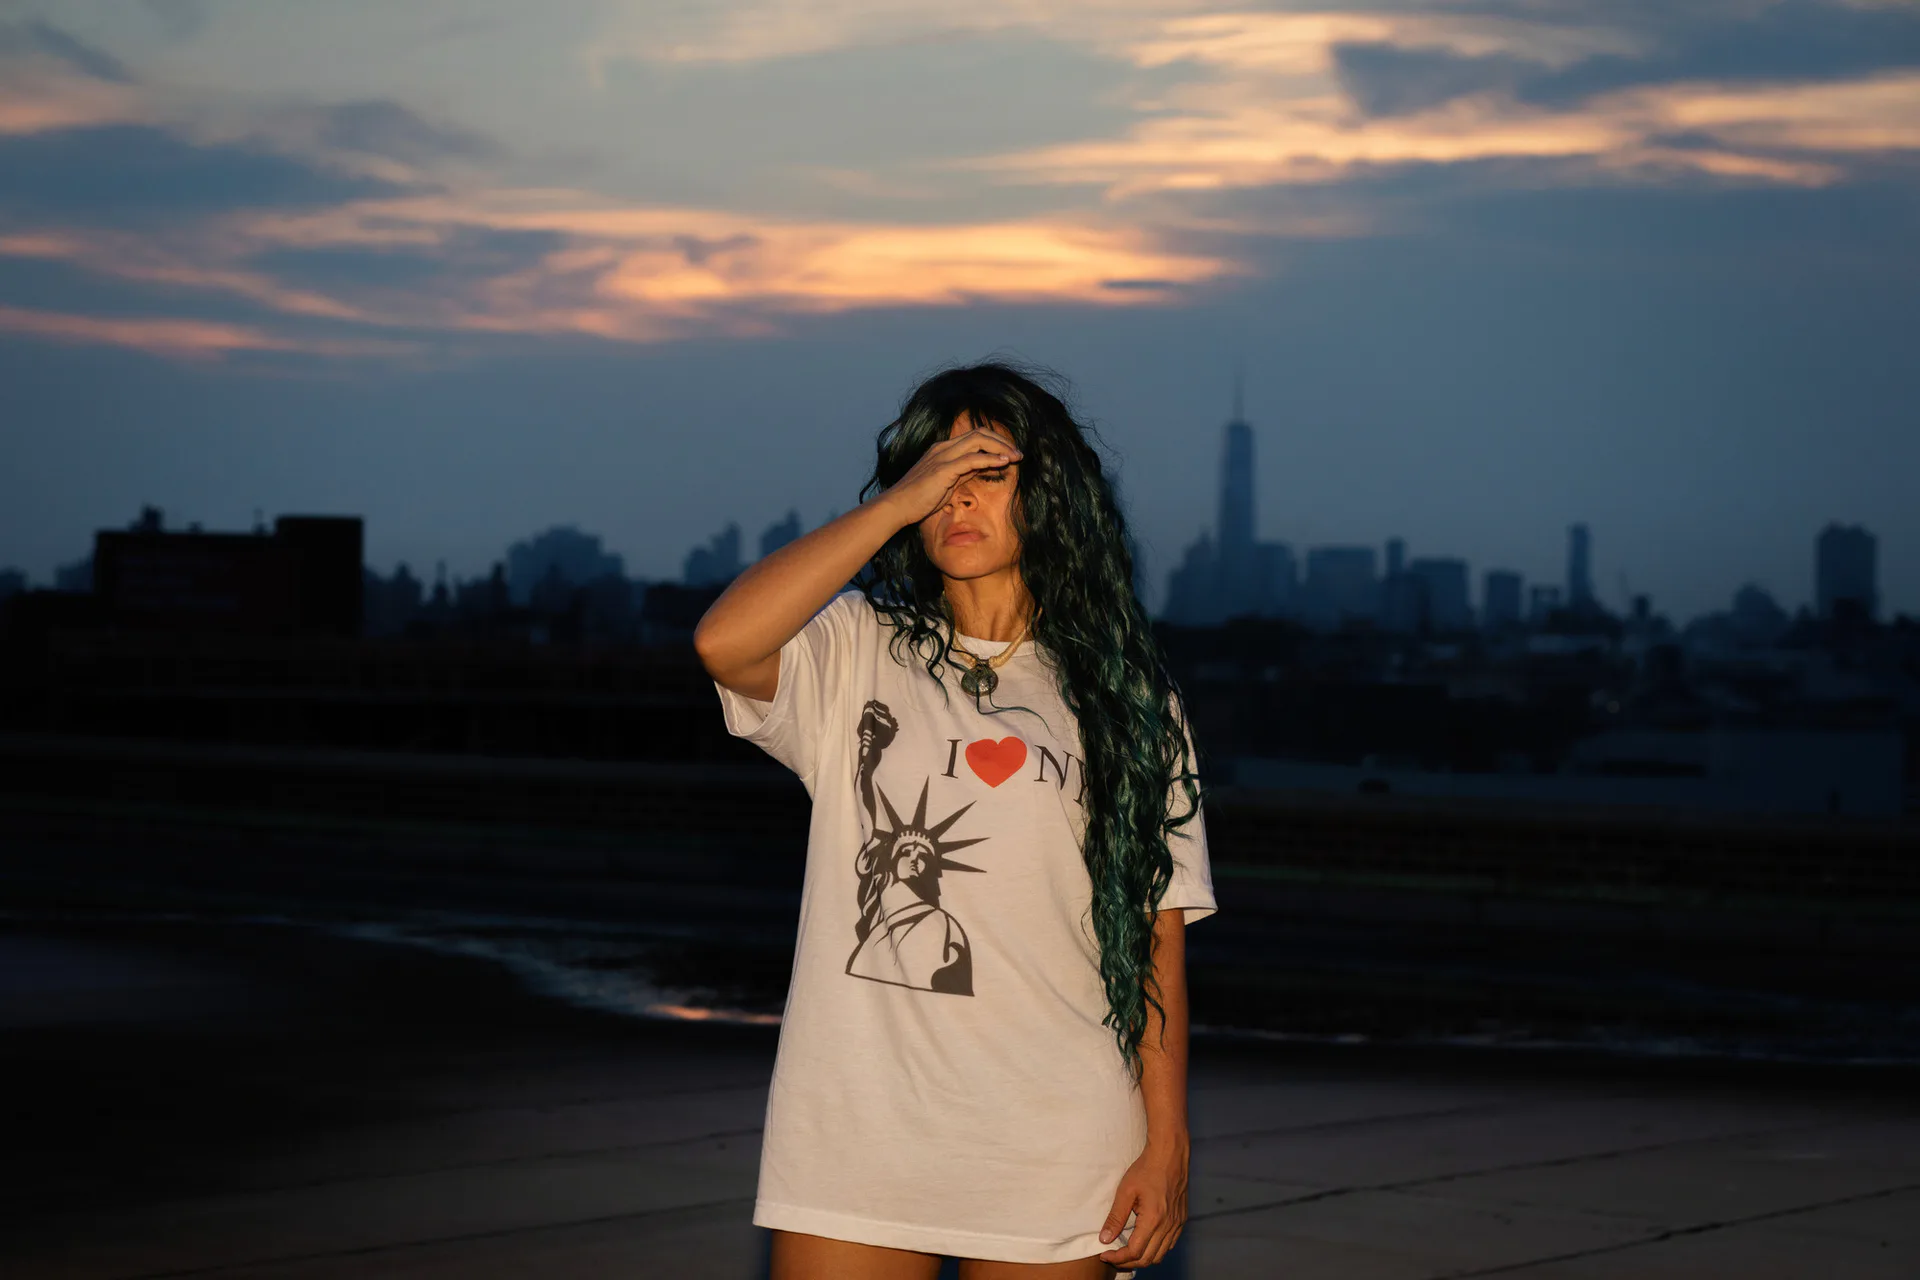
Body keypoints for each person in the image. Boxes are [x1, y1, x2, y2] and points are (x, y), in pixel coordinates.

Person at [695, 360, 1217, 1279]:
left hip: (1057, 1134)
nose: (956, 496)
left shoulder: (1130, 702)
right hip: (858, 1127)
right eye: (935, 473)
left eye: (986, 470)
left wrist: (1166, 1142)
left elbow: (1154, 933)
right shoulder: (858, 647)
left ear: (1049, 492)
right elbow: (723, 642)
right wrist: (898, 503)